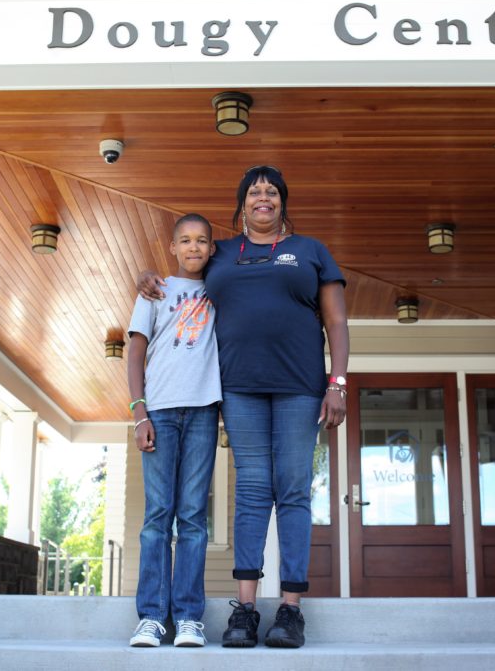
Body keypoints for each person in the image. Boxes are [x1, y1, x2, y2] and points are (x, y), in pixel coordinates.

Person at [138, 166, 349, 649]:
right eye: (254, 191)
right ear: (242, 204)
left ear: (282, 202)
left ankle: (291, 609)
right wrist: (146, 275)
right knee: (252, 491)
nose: (263, 197)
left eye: (271, 191)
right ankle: (246, 610)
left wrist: (337, 381)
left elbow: (336, 322)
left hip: (300, 388)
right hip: (240, 389)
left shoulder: (311, 251)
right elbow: (181, 275)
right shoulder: (222, 253)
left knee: (293, 490)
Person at [127, 213, 221, 648]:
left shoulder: (223, 291)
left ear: (212, 248)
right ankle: (151, 616)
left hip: (203, 412)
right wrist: (139, 412)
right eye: (185, 240)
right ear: (172, 248)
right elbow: (135, 353)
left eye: (202, 241)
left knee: (193, 518)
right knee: (157, 516)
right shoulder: (154, 291)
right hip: (160, 412)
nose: (194, 248)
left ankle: (187, 617)